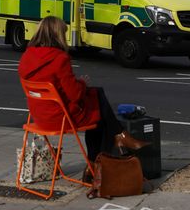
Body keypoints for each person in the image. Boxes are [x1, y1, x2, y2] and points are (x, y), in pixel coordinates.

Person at [17, 16, 149, 173]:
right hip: (60, 118)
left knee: (97, 97)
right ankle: (97, 162)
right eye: (63, 33)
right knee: (98, 113)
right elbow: (75, 95)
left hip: (39, 117)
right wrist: (82, 83)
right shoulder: (59, 58)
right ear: (57, 35)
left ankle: (117, 139)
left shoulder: (27, 57)